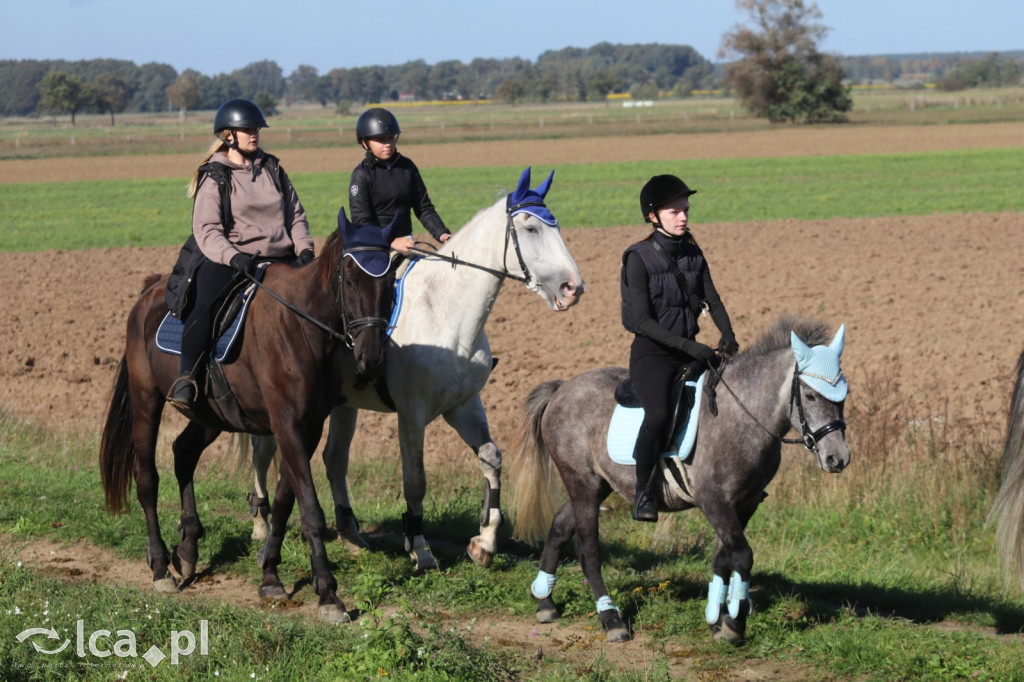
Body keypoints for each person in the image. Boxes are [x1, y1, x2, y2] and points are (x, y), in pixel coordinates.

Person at [166, 98, 315, 410]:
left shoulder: (273, 168)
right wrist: (233, 257)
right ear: (228, 135)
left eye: (256, 128)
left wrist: (304, 251)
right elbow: (206, 229)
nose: (254, 134)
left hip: (281, 258)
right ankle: (187, 377)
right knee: (206, 304)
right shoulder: (216, 174)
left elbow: (296, 216)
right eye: (247, 129)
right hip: (231, 260)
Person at [620, 174, 739, 522]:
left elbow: (712, 299)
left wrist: (728, 333)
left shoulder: (692, 250)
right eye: (675, 211)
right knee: (657, 415)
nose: (684, 217)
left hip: (691, 349)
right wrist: (692, 347)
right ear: (653, 216)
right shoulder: (638, 258)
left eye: (686, 210)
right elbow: (640, 322)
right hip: (653, 355)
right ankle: (643, 493)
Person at [348, 107, 451, 254]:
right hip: (373, 247)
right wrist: (391, 241)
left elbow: (424, 208)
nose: (388, 143)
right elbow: (361, 222)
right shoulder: (361, 175)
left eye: (391, 137)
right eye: (380, 139)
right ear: (365, 143)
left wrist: (442, 233)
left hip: (406, 243)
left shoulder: (408, 168)